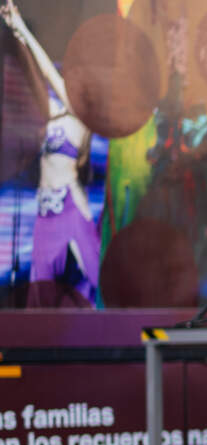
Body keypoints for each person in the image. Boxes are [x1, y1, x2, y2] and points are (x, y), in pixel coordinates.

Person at [2, 0, 101, 308]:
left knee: (95, 277)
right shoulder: (53, 115)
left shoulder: (80, 116)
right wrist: (17, 30)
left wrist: (24, 34)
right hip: (46, 211)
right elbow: (35, 76)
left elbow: (45, 71)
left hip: (71, 206)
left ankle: (111, 338)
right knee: (39, 289)